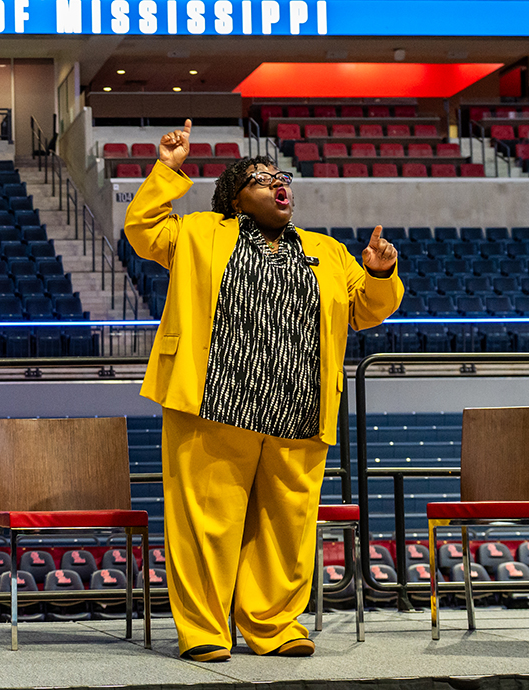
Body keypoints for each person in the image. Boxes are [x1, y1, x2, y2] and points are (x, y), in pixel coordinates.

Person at [124, 119, 402, 662]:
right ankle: (204, 629)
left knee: (287, 524)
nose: (279, 184)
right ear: (235, 199)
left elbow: (365, 312)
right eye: (261, 179)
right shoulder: (200, 232)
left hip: (298, 406)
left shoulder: (327, 252)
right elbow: (142, 228)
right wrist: (169, 168)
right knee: (205, 522)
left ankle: (275, 624)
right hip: (213, 400)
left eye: (282, 177)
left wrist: (378, 274)